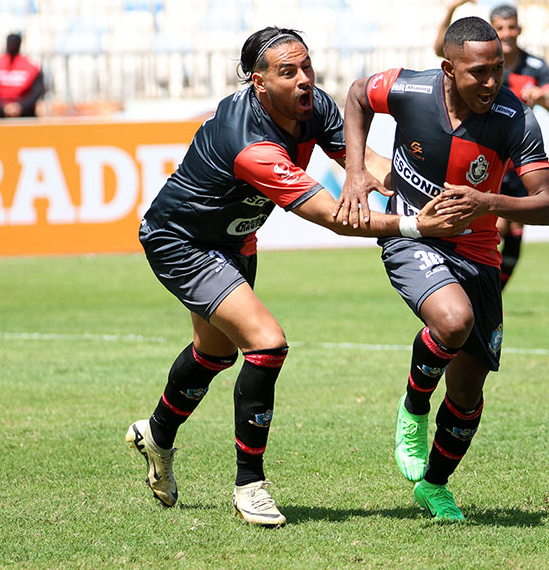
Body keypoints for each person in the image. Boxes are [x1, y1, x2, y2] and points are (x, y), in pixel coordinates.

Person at [125, 27, 467, 528]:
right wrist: (417, 223)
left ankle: (155, 435)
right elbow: (333, 213)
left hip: (235, 241)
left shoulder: (315, 107)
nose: (305, 79)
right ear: (258, 84)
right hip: (182, 241)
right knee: (267, 344)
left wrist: (420, 185)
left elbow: (366, 164)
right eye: (289, 72)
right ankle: (250, 486)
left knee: (215, 354)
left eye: (306, 66)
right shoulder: (250, 143)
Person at [336, 16, 549, 521]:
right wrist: (355, 171)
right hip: (413, 234)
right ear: (447, 69)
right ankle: (414, 409)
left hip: (479, 255)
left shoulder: (515, 119)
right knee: (452, 321)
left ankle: (434, 485)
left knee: (467, 392)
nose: (490, 82)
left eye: (497, 69)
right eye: (478, 72)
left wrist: (488, 202)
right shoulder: (411, 89)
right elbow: (354, 95)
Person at [434, 0, 549, 288]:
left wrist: (544, 99)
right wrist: (452, 8)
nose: (506, 33)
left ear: (519, 29)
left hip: (517, 161)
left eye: (511, 27)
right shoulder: (478, 65)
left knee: (513, 231)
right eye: (500, 28)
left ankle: (490, 293)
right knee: (499, 225)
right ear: (492, 30)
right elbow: (440, 50)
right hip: (486, 157)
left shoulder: (535, 67)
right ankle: (470, 287)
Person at [0, 33, 45, 119]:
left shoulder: (31, 66)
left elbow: (37, 91)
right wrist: (2, 108)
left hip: (25, 114)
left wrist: (20, 106)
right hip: (0, 114)